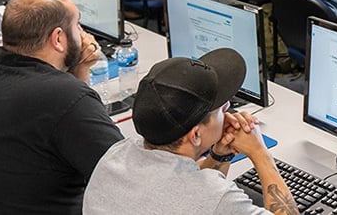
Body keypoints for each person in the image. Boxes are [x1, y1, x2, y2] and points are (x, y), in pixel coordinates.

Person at [83, 49, 301, 215]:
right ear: (195, 135)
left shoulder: (115, 155)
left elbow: (182, 188)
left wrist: (219, 155)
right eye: (220, 108)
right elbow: (203, 197)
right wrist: (260, 153)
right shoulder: (217, 198)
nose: (228, 109)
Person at [0, 0, 122, 214]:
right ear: (58, 38)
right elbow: (126, 177)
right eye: (77, 25)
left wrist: (80, 71)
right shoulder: (67, 98)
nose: (83, 34)